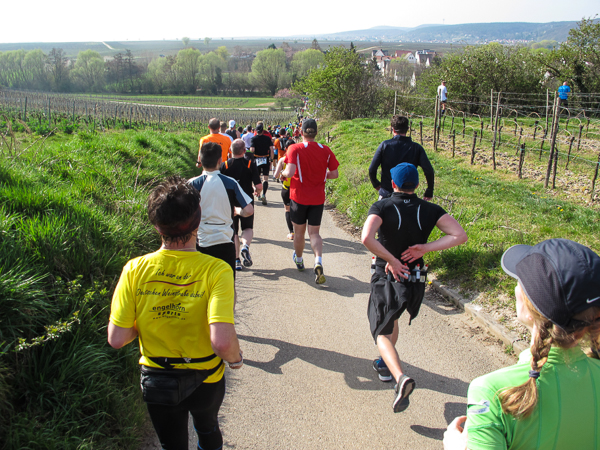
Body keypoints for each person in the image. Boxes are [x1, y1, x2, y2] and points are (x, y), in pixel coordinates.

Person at [107, 176, 243, 450]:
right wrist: (235, 359)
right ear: (198, 219)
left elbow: (117, 338)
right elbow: (222, 342)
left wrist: (149, 320)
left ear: (156, 225)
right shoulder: (217, 270)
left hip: (157, 378)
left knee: (172, 445)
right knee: (207, 427)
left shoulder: (134, 269)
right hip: (205, 376)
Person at [444, 238, 600, 450]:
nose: (516, 287)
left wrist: (456, 446)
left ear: (528, 308)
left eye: (520, 282)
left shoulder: (492, 392)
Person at [361, 163, 467, 412]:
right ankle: (385, 365)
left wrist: (391, 259)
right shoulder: (431, 209)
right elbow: (459, 235)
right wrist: (424, 248)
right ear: (417, 185)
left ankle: (400, 378)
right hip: (415, 276)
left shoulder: (382, 206)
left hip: (388, 274)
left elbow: (366, 237)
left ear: (393, 184)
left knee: (381, 331)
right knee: (394, 316)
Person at [281, 118, 339, 284]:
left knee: (299, 233)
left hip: (299, 197)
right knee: (315, 233)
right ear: (316, 132)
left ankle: (299, 260)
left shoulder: (294, 148)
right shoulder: (325, 150)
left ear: (301, 132)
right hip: (317, 198)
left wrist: (282, 174)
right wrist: (320, 174)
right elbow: (334, 174)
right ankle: (318, 261)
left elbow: (290, 172)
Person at [189, 142, 254, 274]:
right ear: (220, 160)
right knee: (226, 283)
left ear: (200, 159)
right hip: (225, 242)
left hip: (201, 242)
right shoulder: (230, 183)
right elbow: (249, 210)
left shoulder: (191, 184)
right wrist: (237, 211)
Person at [368, 115, 435, 200]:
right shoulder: (416, 148)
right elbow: (429, 170)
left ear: (393, 129)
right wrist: (429, 190)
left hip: (387, 193)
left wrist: (376, 183)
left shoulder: (385, 145)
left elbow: (372, 169)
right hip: (408, 196)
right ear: (408, 129)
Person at [220, 139, 262, 271]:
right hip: (246, 201)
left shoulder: (225, 165)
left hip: (230, 202)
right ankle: (245, 246)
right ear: (244, 151)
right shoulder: (250, 164)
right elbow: (259, 185)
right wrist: (257, 191)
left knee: (233, 232)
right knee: (247, 228)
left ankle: (237, 260)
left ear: (230, 150)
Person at [273, 139, 296, 240]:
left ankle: (291, 232)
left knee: (287, 210)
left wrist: (282, 173)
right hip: (298, 189)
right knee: (298, 210)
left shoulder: (283, 160)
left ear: (285, 148)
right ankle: (299, 231)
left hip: (286, 188)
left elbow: (275, 175)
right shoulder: (299, 159)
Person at [250, 123, 274, 206]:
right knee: (265, 178)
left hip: (257, 159)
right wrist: (271, 159)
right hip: (266, 158)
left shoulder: (253, 139)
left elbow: (252, 149)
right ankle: (264, 194)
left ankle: (258, 194)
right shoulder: (267, 138)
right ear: (263, 130)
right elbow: (271, 149)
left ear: (256, 131)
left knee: (257, 177)